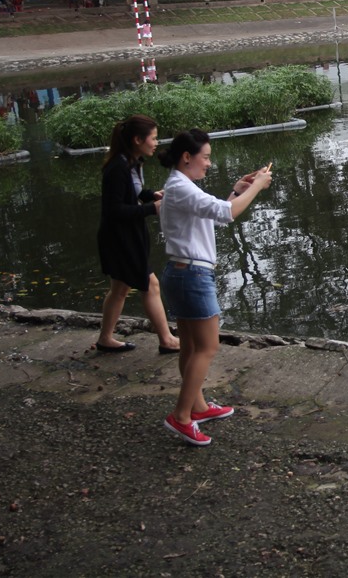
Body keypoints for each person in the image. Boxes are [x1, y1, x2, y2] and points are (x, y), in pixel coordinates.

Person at [158, 129, 272, 446]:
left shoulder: (180, 187)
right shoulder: (181, 188)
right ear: (186, 157)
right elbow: (228, 214)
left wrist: (238, 190)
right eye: (205, 157)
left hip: (182, 273)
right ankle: (181, 416)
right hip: (192, 276)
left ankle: (197, 407)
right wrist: (258, 187)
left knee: (192, 347)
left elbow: (217, 214)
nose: (209, 164)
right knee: (207, 347)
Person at [96, 114, 181, 355]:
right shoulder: (117, 168)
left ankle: (105, 338)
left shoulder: (132, 163)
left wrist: (150, 195)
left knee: (120, 288)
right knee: (150, 284)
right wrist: (150, 209)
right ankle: (167, 339)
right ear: (137, 139)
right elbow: (113, 209)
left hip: (128, 236)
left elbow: (130, 194)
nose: (156, 143)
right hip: (120, 239)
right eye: (153, 138)